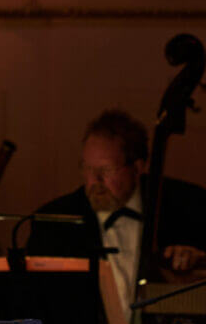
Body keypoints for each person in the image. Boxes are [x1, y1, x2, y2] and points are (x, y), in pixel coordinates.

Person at [27, 109, 206, 310]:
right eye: (87, 168)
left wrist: (200, 261)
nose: (94, 181)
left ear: (138, 168)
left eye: (106, 170)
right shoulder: (53, 220)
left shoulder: (191, 203)